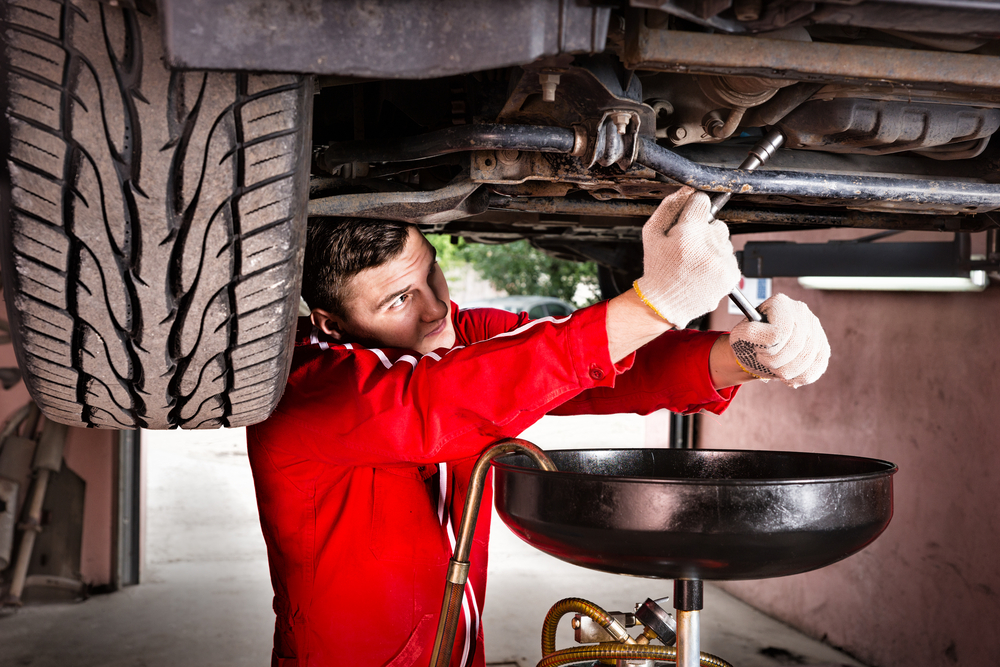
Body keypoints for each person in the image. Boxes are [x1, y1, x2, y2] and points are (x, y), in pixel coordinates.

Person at [246, 187, 830, 667]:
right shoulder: (306, 392)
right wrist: (656, 301)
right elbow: (444, 401)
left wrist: (742, 356)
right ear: (331, 320)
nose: (435, 309)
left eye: (431, 275)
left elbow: (593, 366)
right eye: (399, 299)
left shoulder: (453, 336)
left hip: (456, 647)